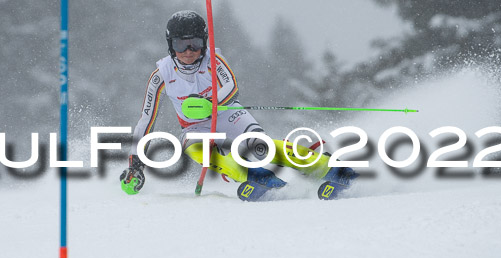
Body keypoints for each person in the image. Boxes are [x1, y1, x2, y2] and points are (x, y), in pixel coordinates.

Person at [120, 10, 354, 200]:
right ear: (171, 45)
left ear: (204, 42)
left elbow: (231, 87)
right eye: (181, 45)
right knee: (197, 149)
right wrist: (135, 164)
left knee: (259, 147)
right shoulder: (161, 75)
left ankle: (328, 168)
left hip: (228, 114)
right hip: (195, 128)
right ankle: (254, 176)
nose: (189, 52)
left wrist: (210, 103)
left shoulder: (213, 60)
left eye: (195, 43)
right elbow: (146, 120)